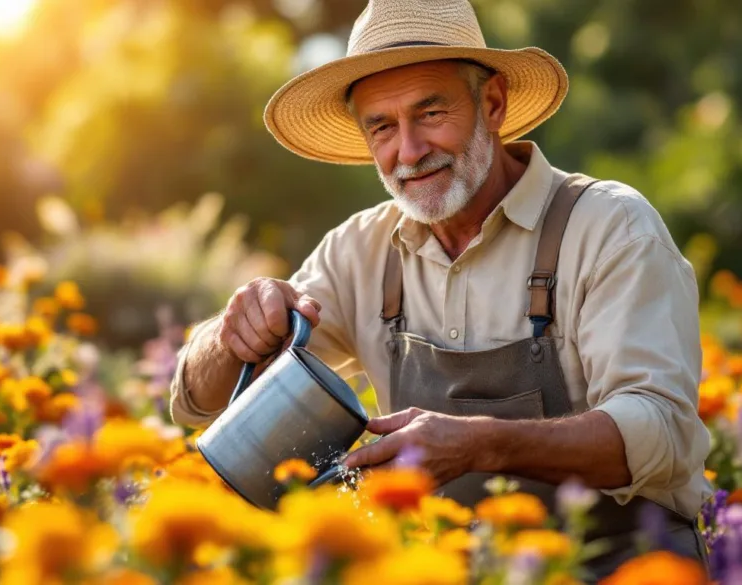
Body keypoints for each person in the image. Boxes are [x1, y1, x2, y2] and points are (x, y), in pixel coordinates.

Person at [169, 0, 712, 580]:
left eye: (430, 113)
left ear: (494, 104)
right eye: (381, 126)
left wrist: (486, 445)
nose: (408, 151)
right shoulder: (361, 250)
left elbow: (662, 431)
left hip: (621, 567)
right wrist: (233, 335)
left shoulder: (608, 227)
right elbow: (193, 405)